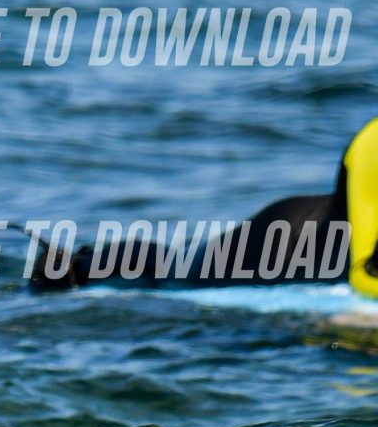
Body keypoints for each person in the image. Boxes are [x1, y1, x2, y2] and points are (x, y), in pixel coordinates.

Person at [28, 117, 378, 294]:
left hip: (327, 240)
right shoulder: (370, 144)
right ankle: (74, 267)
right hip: (286, 244)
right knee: (173, 271)